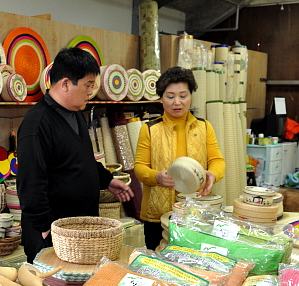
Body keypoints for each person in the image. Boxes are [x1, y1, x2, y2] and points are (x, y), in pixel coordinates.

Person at [16, 47, 134, 263]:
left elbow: (81, 160)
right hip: (53, 234)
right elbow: (30, 184)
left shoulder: (76, 115)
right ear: (66, 84)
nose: (91, 91)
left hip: (80, 229)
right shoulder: (37, 124)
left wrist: (107, 180)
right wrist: (45, 228)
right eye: (88, 85)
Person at [134, 66, 225, 250]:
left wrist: (214, 174)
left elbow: (217, 160)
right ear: (161, 98)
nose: (177, 102)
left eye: (183, 96)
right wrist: (156, 177)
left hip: (195, 212)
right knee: (157, 263)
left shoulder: (204, 127)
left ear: (191, 96)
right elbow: (140, 167)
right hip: (157, 214)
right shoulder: (150, 129)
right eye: (170, 96)